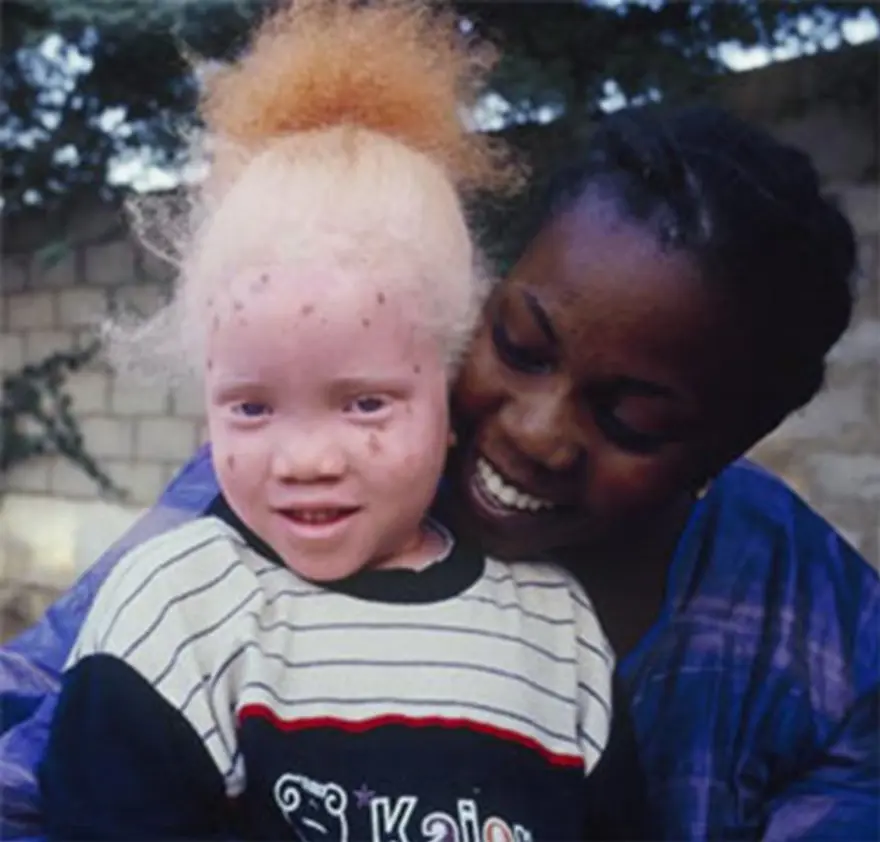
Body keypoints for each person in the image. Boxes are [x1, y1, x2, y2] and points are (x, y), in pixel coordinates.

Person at [2, 75, 877, 842]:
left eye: (632, 419)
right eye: (519, 346)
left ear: (732, 441)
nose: (536, 432)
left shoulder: (807, 615)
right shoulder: (288, 507)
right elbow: (34, 728)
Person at [35, 2, 615, 840]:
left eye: (365, 402)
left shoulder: (555, 630)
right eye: (252, 406)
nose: (305, 459)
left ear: (451, 388)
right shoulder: (176, 613)